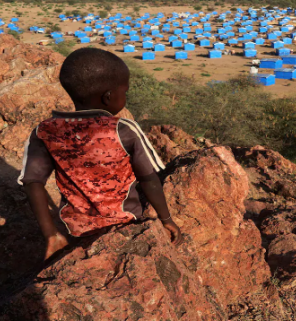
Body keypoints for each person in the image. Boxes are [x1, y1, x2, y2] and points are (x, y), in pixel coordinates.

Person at [18, 48, 183, 260]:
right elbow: (149, 179)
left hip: (74, 230)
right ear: (108, 97)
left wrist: (51, 234)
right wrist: (166, 219)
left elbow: (32, 182)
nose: (125, 95)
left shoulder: (46, 130)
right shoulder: (123, 129)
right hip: (126, 225)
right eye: (124, 91)